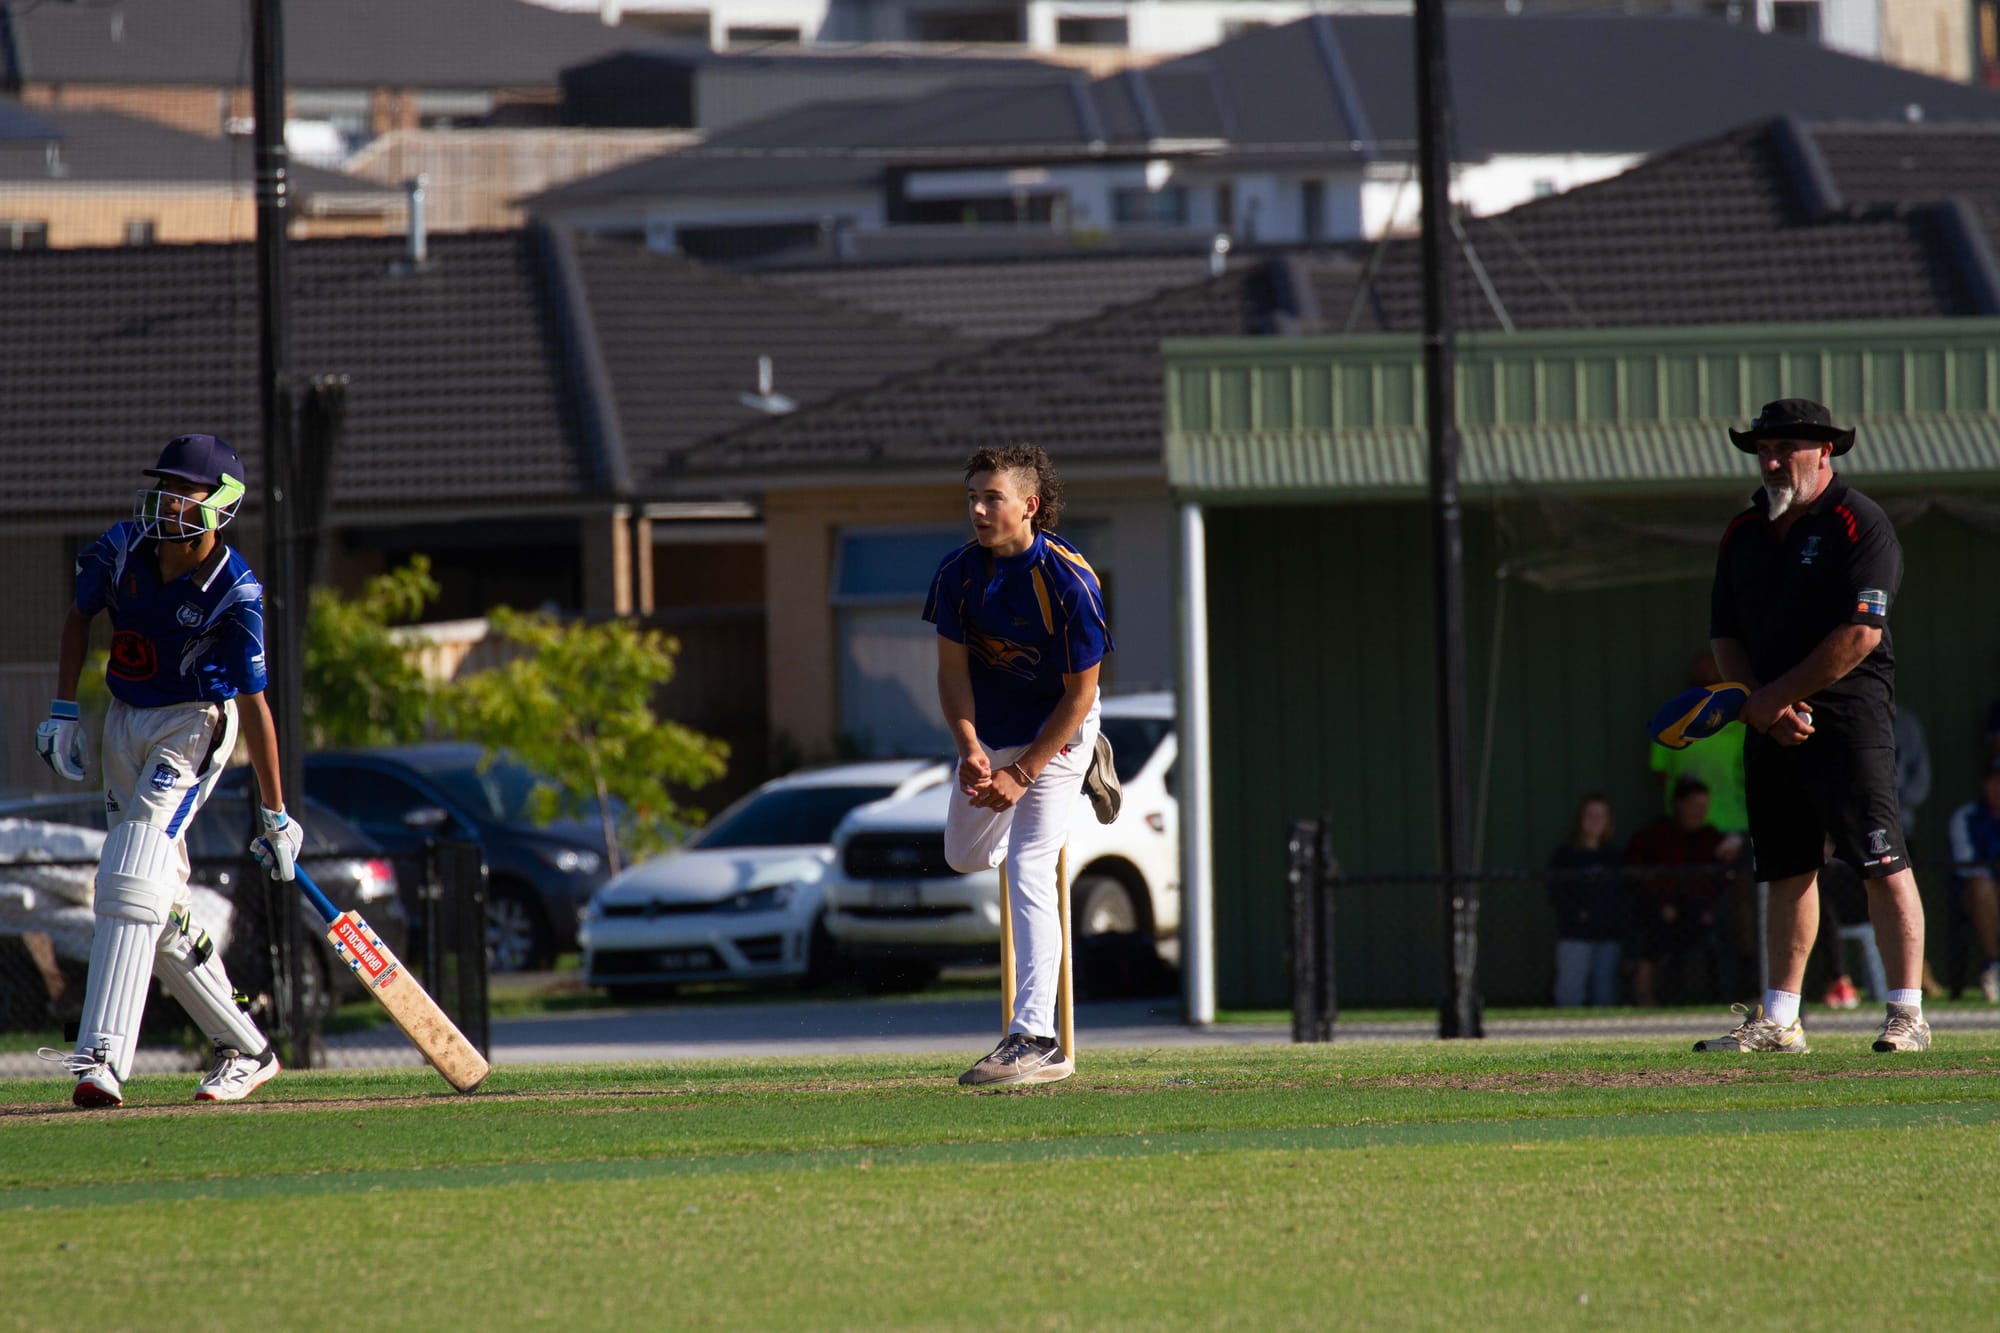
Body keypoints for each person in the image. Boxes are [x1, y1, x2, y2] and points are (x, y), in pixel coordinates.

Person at [34, 434, 302, 1108]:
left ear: (223, 505)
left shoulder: (235, 591)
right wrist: (64, 709)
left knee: (127, 872)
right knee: (155, 901)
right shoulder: (125, 545)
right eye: (166, 485)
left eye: (187, 489)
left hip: (194, 725)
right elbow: (79, 615)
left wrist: (276, 813)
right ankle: (247, 1048)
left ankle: (101, 1058)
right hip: (123, 718)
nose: (170, 499)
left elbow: (256, 705)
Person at [1698, 398, 1930, 1054]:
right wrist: (1761, 705)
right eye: (1763, 451)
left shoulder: (1861, 522)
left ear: (1825, 449)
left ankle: (1907, 1013)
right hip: (1771, 718)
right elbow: (1726, 634)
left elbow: (1860, 633)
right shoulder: (1743, 532)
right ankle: (1780, 1019)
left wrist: (1776, 697)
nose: (1771, 462)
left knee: (1881, 860)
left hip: (1850, 716)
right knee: (1784, 868)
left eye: (1786, 449)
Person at [925, 445, 1119, 1087]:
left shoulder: (1067, 578)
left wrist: (1024, 772)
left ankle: (1035, 1038)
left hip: (1059, 729)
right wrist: (970, 747)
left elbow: (1081, 691)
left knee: (1032, 865)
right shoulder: (958, 574)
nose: (978, 510)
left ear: (1029, 505)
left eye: (993, 498)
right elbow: (951, 674)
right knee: (964, 856)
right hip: (997, 732)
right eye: (972, 497)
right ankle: (1030, 1036)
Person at [1626, 776, 1739, 1006]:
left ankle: (1724, 998)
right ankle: (1644, 994)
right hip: (1660, 913)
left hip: (1701, 913)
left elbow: (1722, 881)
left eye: (1703, 806)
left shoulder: (1711, 838)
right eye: (1694, 806)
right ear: (1679, 804)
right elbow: (1637, 875)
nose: (1700, 812)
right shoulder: (1656, 835)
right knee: (1653, 933)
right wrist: (1662, 903)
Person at [1547, 794, 1626, 1007]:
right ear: (1580, 819)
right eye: (1590, 815)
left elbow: (1622, 895)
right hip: (1575, 936)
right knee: (1569, 996)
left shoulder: (1614, 856)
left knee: (1605, 995)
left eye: (1601, 816)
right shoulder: (1566, 855)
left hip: (1608, 935)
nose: (1595, 821)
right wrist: (1576, 913)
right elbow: (1556, 893)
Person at [1946, 758, 2000, 1002]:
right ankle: (1994, 965)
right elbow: (1967, 865)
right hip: (1975, 894)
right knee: (1982, 887)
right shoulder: (1966, 817)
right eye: (1994, 781)